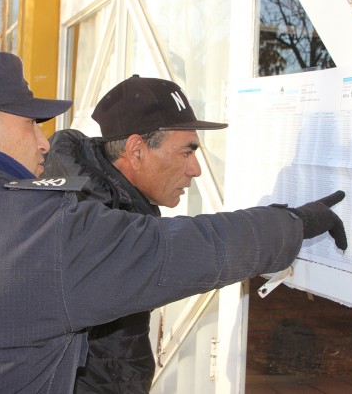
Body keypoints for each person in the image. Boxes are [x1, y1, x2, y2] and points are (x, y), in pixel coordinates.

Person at [0, 52, 347, 394]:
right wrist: (294, 223)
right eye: (30, 123)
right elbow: (193, 249)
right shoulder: (38, 230)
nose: (43, 140)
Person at [43, 75, 229, 393]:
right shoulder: (95, 229)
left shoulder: (108, 207)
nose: (196, 169)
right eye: (187, 152)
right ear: (136, 150)